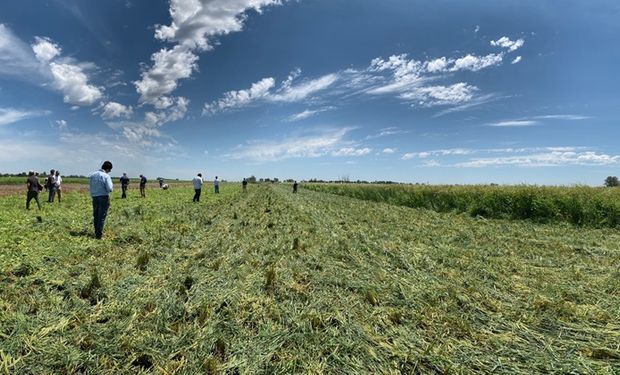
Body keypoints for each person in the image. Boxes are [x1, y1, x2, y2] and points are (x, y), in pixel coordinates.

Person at [89, 161, 113, 239]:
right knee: (101, 216)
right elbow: (109, 188)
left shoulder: (92, 175)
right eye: (110, 169)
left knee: (96, 215)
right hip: (103, 197)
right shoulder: (106, 176)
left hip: (94, 197)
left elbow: (91, 186)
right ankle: (99, 235)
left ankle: (96, 232)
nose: (110, 171)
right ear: (108, 168)